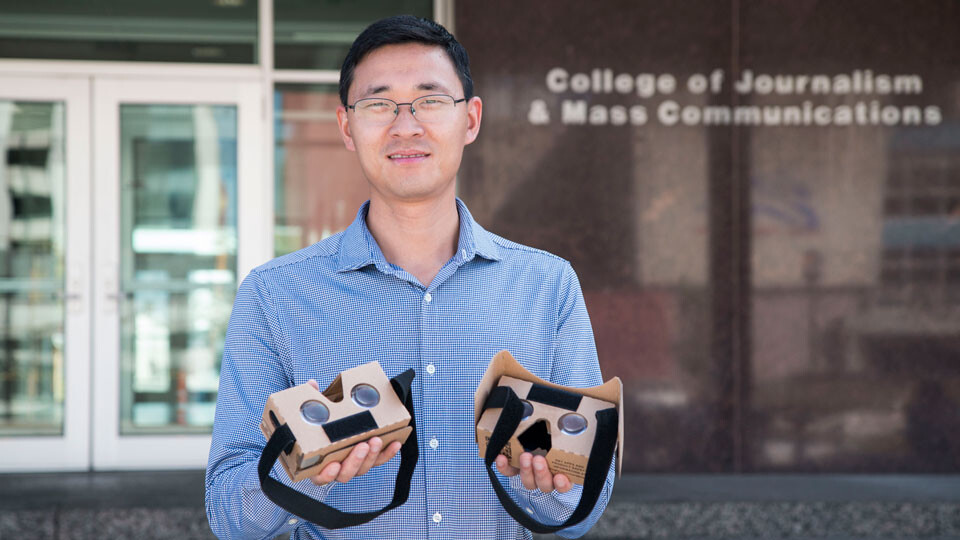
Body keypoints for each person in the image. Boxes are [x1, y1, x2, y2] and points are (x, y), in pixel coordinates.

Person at [205, 14, 614, 540]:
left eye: (430, 99)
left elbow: (582, 510)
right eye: (378, 104)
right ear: (346, 126)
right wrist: (299, 472)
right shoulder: (274, 295)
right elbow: (231, 519)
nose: (406, 125)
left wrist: (544, 487)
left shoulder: (548, 286)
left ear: (470, 119)